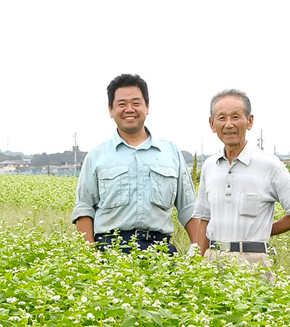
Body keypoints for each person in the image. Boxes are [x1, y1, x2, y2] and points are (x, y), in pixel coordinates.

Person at [72, 73, 198, 254]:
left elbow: (188, 208)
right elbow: (84, 208)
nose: (129, 109)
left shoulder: (170, 153)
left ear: (147, 107)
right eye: (122, 104)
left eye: (136, 103)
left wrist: (198, 253)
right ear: (110, 110)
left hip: (160, 250)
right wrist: (90, 257)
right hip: (111, 251)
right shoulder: (97, 156)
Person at [193, 89, 290, 275]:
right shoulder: (210, 166)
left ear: (249, 121)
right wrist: (198, 263)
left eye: (236, 117)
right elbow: (204, 218)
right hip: (213, 260)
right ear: (212, 124)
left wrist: (265, 230)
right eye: (222, 118)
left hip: (253, 262)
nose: (229, 124)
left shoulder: (270, 165)